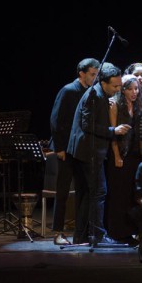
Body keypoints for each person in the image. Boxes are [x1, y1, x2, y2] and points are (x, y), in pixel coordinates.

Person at [67, 62, 131, 245]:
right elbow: (88, 125)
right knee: (99, 192)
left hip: (89, 151)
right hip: (88, 152)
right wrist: (113, 130)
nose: (118, 89)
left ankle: (82, 236)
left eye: (120, 86)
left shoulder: (100, 94)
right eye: (115, 86)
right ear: (103, 83)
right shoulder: (94, 95)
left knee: (90, 194)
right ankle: (98, 236)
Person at [48, 57, 100, 245]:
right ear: (82, 73)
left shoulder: (90, 92)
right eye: (92, 75)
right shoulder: (69, 90)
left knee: (83, 189)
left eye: (96, 75)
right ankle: (58, 232)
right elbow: (56, 121)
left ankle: (81, 233)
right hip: (65, 149)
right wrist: (60, 148)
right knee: (62, 190)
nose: (95, 78)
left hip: (80, 148)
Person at [104, 74, 142, 244]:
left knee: (129, 194)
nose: (134, 92)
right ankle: (116, 232)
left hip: (134, 155)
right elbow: (113, 133)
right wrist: (117, 156)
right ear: (123, 90)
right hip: (119, 155)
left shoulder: (137, 106)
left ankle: (129, 231)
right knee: (117, 194)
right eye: (130, 89)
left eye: (136, 89)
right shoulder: (114, 105)